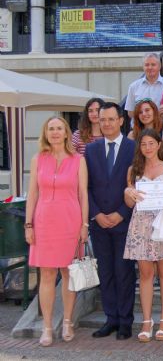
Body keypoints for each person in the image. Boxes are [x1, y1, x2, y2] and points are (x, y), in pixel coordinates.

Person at [25, 116, 88, 346]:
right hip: (43, 223)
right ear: (46, 132)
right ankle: (48, 327)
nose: (54, 132)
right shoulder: (37, 159)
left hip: (70, 222)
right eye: (50, 128)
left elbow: (83, 194)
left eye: (59, 128)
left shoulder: (78, 160)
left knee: (68, 274)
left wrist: (84, 225)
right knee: (48, 275)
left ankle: (68, 321)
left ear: (65, 133)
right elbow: (32, 194)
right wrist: (28, 225)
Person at [123, 129, 163, 342]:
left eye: (151, 143)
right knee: (145, 274)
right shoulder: (133, 170)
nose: (147, 147)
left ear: (159, 145)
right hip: (140, 226)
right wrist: (128, 193)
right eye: (143, 144)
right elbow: (130, 204)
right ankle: (147, 321)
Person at [85, 102, 136, 340]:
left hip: (125, 221)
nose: (106, 123)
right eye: (102, 119)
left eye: (111, 119)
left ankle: (126, 321)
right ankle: (111, 319)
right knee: (105, 272)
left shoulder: (133, 148)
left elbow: (138, 185)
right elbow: (86, 188)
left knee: (124, 272)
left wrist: (121, 213)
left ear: (121, 121)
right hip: (99, 223)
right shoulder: (91, 150)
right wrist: (96, 214)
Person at [125, 53, 163, 119]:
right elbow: (130, 111)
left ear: (159, 66)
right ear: (143, 67)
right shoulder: (134, 86)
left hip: (162, 127)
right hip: (140, 128)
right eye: (147, 65)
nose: (150, 67)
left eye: (153, 65)